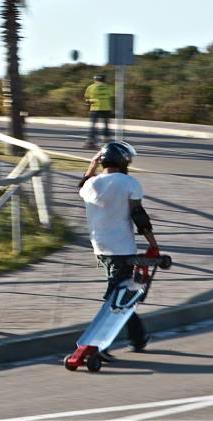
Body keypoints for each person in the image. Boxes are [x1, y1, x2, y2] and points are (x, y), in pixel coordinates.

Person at [77, 141, 157, 360]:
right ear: (123, 160)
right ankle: (97, 347)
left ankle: (138, 338)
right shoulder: (129, 183)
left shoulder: (90, 184)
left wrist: (92, 165)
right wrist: (153, 243)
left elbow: (82, 184)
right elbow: (138, 215)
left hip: (100, 248)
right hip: (122, 248)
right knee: (116, 298)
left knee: (120, 293)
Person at [83, 74, 113, 149]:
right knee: (106, 126)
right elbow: (110, 96)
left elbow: (87, 99)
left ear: (95, 79)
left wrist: (88, 103)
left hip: (94, 109)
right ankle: (106, 142)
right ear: (104, 80)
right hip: (106, 108)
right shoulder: (107, 87)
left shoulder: (91, 87)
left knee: (93, 126)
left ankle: (91, 142)